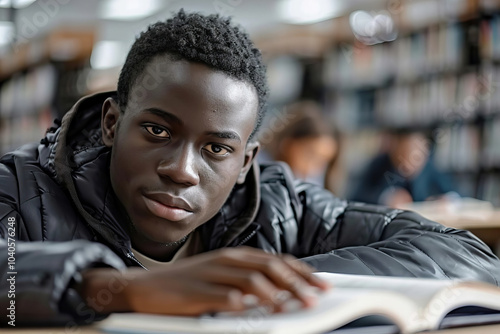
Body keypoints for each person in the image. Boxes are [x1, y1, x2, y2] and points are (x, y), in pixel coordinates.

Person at [1, 10, 499, 327]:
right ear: (111, 122)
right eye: (157, 131)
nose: (181, 170)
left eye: (217, 150)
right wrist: (116, 288)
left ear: (246, 163)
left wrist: (268, 282)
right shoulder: (21, 187)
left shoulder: (281, 206)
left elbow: (468, 255)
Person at [350, 129, 457, 208]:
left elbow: (455, 192)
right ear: (394, 152)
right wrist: (386, 198)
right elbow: (356, 197)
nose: (410, 162)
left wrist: (446, 199)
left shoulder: (430, 167)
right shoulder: (379, 164)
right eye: (404, 153)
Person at [260, 100, 338, 186]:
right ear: (287, 144)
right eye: (310, 155)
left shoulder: (312, 183)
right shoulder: (258, 170)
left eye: (323, 161)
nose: (314, 168)